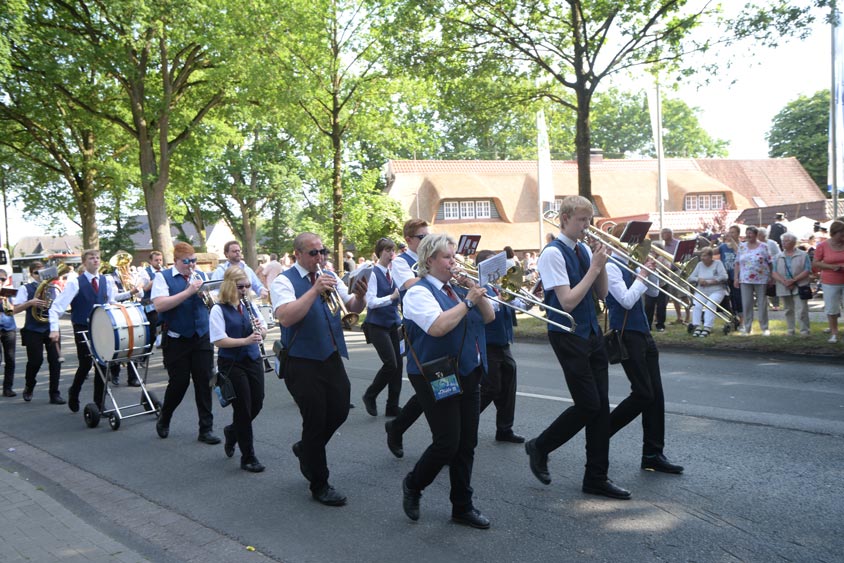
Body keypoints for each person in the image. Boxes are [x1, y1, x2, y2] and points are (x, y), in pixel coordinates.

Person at [525, 195, 632, 500]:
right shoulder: (552, 254)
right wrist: (593, 267)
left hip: (592, 332)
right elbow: (567, 301)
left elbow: (600, 294)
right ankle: (540, 446)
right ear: (565, 219)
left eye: (589, 220)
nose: (588, 226)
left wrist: (603, 266)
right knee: (588, 404)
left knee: (600, 408)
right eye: (582, 220)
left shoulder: (584, 249)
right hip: (568, 334)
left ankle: (596, 477)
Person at [400, 233, 495, 528]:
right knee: (447, 442)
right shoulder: (419, 292)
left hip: (468, 370)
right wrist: (467, 302)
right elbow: (438, 327)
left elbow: (489, 317)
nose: (454, 262)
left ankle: (462, 506)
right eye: (447, 257)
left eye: (454, 257)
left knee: (467, 442)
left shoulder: (456, 290)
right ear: (429, 261)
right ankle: (414, 484)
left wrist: (474, 292)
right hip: (437, 372)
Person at [272, 232, 367, 506]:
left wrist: (360, 297)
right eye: (313, 253)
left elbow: (352, 307)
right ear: (298, 255)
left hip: (331, 355)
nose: (320, 257)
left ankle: (306, 450)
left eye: (322, 251)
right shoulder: (284, 281)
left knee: (338, 410)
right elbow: (287, 317)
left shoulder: (329, 276)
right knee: (314, 420)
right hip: (301, 360)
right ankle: (320, 483)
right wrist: (314, 290)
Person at [605, 255, 684, 475]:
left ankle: (653, 454)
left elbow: (654, 293)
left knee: (656, 397)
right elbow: (627, 301)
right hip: (627, 335)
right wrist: (641, 275)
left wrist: (652, 271)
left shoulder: (630, 265)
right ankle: (602, 431)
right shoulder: (611, 267)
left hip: (643, 334)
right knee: (643, 393)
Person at [152, 242, 221, 445]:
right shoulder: (162, 277)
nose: (191, 265)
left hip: (201, 336)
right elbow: (160, 305)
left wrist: (208, 296)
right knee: (179, 383)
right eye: (186, 261)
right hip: (176, 338)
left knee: (205, 381)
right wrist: (188, 292)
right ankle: (165, 416)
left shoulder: (201, 276)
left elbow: (213, 303)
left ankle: (206, 429)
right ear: (176, 261)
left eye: (193, 261)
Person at [210, 267, 267, 472]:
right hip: (231, 363)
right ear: (229, 285)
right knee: (243, 409)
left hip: (252, 359)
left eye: (247, 286)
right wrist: (245, 340)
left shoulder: (249, 305)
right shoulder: (218, 309)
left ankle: (232, 431)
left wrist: (261, 331)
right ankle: (248, 457)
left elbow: (263, 328)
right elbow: (218, 340)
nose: (244, 290)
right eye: (240, 286)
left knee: (257, 404)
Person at [49, 249, 117, 412]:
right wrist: (54, 328)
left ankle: (99, 403)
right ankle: (74, 391)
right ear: (84, 262)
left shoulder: (106, 280)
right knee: (86, 363)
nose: (95, 260)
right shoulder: (75, 282)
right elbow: (57, 307)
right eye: (91, 258)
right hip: (82, 326)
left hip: (101, 326)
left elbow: (111, 302)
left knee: (102, 364)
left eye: (97, 257)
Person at [384, 219, 429, 458]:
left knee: (437, 387)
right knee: (430, 385)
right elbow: (410, 285)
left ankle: (397, 426)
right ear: (409, 240)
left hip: (441, 323)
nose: (427, 240)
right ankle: (445, 443)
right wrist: (437, 272)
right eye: (422, 237)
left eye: (428, 236)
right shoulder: (401, 262)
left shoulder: (432, 257)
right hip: (417, 328)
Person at [474, 250, 526, 444]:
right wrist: (506, 297)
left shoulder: (500, 286)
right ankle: (465, 419)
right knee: (491, 388)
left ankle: (505, 429)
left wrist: (526, 297)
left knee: (508, 387)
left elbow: (519, 305)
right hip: (487, 343)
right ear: (482, 267)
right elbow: (491, 307)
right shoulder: (480, 287)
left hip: (504, 343)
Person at [361, 238, 402, 417]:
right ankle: (370, 395)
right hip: (376, 324)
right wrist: (392, 297)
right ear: (379, 253)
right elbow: (371, 302)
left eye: (393, 250)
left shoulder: (393, 272)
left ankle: (392, 406)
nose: (391, 253)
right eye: (387, 250)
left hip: (393, 323)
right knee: (390, 363)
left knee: (398, 366)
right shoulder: (373, 273)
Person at [12, 262, 64, 403]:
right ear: (31, 274)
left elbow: (61, 307)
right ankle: (29, 385)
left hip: (51, 327)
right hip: (33, 329)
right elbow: (15, 310)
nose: (40, 275)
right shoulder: (25, 288)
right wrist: (30, 303)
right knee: (35, 361)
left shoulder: (53, 288)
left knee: (55, 361)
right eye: (36, 273)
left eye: (43, 272)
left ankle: (54, 394)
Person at [734, 226, 773, 336]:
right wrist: (736, 277)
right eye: (747, 233)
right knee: (746, 304)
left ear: (756, 235)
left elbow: (770, 262)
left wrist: (771, 277)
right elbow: (737, 263)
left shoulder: (763, 246)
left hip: (761, 278)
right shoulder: (742, 246)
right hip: (745, 279)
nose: (749, 235)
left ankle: (764, 328)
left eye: (751, 233)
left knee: (762, 304)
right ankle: (747, 328)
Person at [771, 232, 812, 336]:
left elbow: (807, 270)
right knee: (788, 309)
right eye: (783, 241)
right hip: (783, 285)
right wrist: (784, 281)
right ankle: (790, 330)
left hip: (800, 285)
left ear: (794, 242)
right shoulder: (777, 257)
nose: (784, 243)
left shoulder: (803, 255)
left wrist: (793, 280)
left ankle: (804, 331)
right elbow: (774, 272)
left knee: (802, 309)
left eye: (787, 241)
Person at [812, 220, 844, 343]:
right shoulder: (823, 246)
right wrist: (831, 267)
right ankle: (834, 332)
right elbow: (815, 263)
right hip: (830, 281)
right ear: (833, 233)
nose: (843, 237)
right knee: (832, 308)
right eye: (841, 235)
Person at [687, 248, 728, 338]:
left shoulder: (718, 264)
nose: (702, 258)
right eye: (701, 255)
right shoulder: (699, 265)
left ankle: (707, 327)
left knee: (710, 304)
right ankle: (696, 326)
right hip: (702, 290)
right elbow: (690, 278)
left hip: (717, 290)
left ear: (710, 257)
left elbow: (724, 276)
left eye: (705, 255)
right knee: (697, 304)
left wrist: (712, 281)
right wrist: (698, 279)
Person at [136, 250, 165, 347]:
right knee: (153, 328)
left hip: (163, 302)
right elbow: (145, 288)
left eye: (160, 260)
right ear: (151, 262)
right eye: (156, 260)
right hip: (150, 304)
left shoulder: (165, 270)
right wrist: (158, 277)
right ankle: (149, 346)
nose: (159, 262)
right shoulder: (145, 272)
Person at [717, 225, 743, 327]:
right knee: (729, 300)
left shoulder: (742, 245)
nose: (731, 234)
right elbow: (711, 252)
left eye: (733, 232)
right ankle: (733, 319)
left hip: (738, 277)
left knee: (739, 299)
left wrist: (732, 242)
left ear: (738, 234)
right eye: (730, 232)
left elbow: (739, 253)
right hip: (726, 278)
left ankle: (742, 321)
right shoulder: (723, 247)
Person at [0, 270, 17, 397]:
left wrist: (6, 300)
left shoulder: (7, 293)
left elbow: (12, 311)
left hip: (8, 328)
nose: (1, 281)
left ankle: (8, 388)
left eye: (3, 279)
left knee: (10, 359)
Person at [758, 227, 781, 311]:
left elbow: (778, 254)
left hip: (772, 266)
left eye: (762, 235)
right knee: (762, 286)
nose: (760, 237)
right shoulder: (756, 244)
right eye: (759, 235)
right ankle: (764, 303)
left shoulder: (772, 243)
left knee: (773, 285)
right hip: (760, 268)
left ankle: (776, 304)